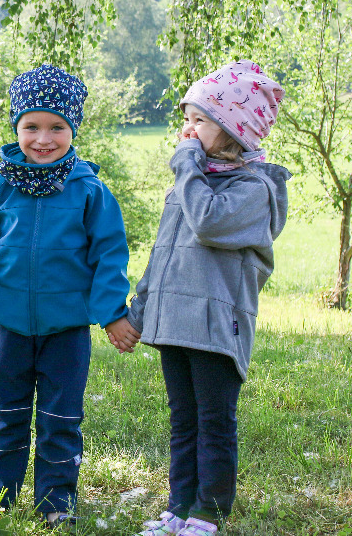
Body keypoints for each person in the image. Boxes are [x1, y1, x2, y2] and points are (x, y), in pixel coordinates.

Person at [0, 64, 138, 530]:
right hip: (10, 323)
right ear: (16, 128)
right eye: (31, 126)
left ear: (73, 130)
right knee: (4, 411)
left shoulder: (90, 191)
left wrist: (111, 312)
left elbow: (110, 254)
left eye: (56, 127)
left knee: (60, 417)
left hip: (67, 327)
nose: (43, 138)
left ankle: (56, 503)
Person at [119, 61, 290, 536]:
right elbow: (164, 252)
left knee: (215, 421)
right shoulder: (189, 182)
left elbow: (209, 222)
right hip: (175, 319)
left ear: (235, 129)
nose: (187, 131)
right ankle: (178, 508)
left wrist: (184, 163)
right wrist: (141, 306)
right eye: (187, 119)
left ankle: (207, 513)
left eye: (199, 121)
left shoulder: (253, 189)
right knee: (184, 419)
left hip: (216, 327)